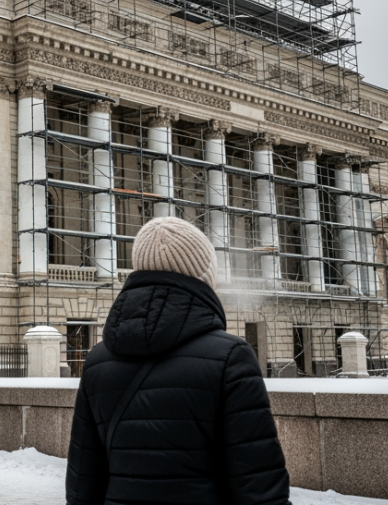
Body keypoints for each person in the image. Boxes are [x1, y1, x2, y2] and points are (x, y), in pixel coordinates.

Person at [66, 216, 292, 505]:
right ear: (202, 274)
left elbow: (81, 484)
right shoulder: (231, 357)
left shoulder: (97, 360)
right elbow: (260, 487)